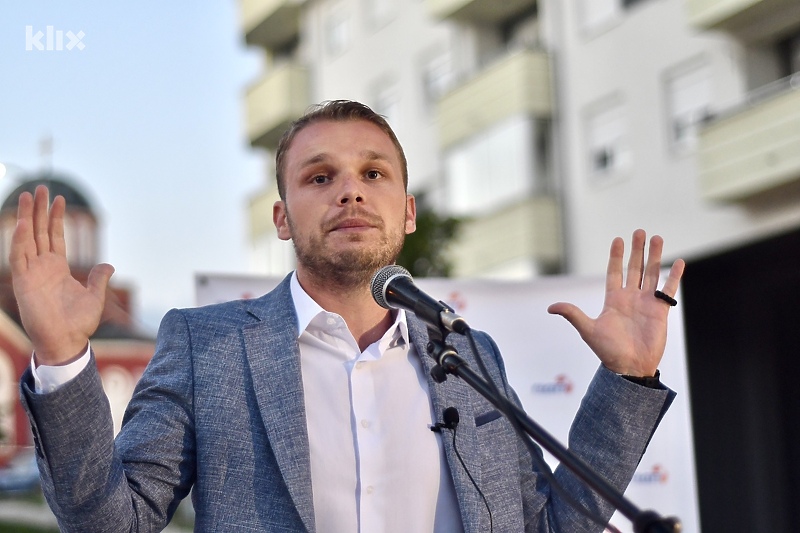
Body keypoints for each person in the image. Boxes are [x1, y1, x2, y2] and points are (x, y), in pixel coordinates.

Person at [12, 100, 685, 532]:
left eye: (373, 173)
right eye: (319, 177)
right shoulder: (206, 347)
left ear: (407, 211)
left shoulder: (468, 354)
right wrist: (63, 360)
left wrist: (625, 382)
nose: (350, 191)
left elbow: (551, 527)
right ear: (281, 216)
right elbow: (107, 521)